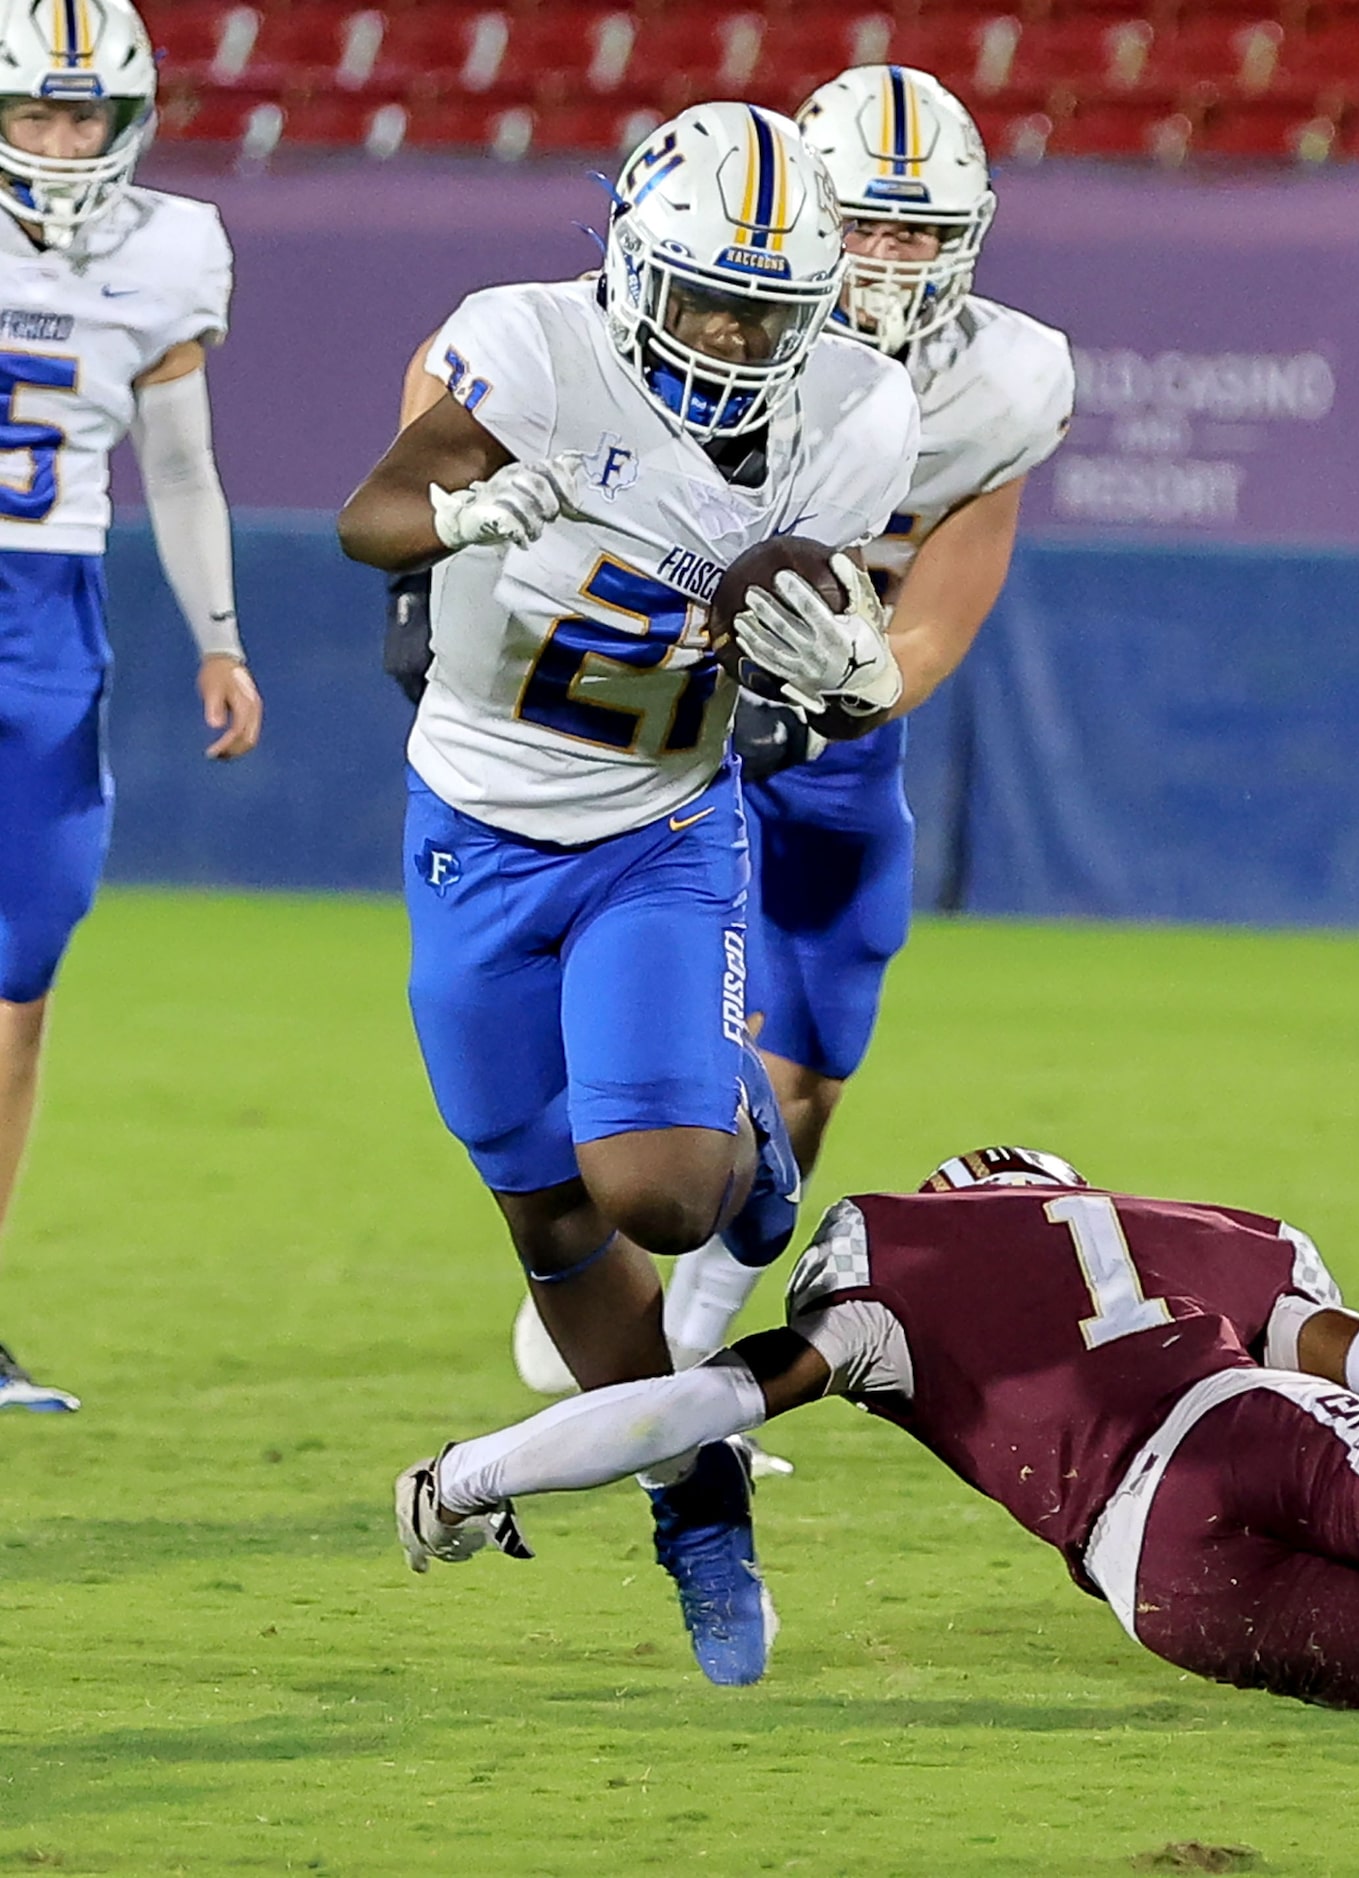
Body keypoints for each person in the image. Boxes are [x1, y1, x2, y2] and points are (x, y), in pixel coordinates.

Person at [336, 104, 921, 1684]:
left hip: (662, 825)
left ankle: (738, 1139)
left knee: (660, 1189)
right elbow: (368, 512)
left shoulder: (856, 415)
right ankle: (698, 1500)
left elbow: (800, 644)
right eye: (709, 296)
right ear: (629, 266)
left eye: (766, 310)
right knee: (547, 1213)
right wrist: (461, 513)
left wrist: (845, 672)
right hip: (471, 827)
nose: (733, 335)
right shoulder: (527, 349)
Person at [395, 1147, 1359, 1737]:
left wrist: (471, 1472)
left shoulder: (894, 1274)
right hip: (1233, 1418)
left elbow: (683, 1407)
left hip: (1148, 1569)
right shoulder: (1189, 1232)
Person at [509, 68, 1075, 1393]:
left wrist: (856, 688)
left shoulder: (1003, 377)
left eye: (917, 231)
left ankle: (696, 1333)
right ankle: (594, 1247)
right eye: (861, 225)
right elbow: (479, 370)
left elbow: (940, 608)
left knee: (817, 1040)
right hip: (646, 707)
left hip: (824, 722)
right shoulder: (684, 301)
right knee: (588, 991)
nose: (886, 259)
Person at [0, 0, 261, 1413]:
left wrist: (220, 638)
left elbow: (180, 468)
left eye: (78, 116)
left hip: (49, 622)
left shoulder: (170, 248)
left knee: (18, 981)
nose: (55, 143)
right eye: (30, 114)